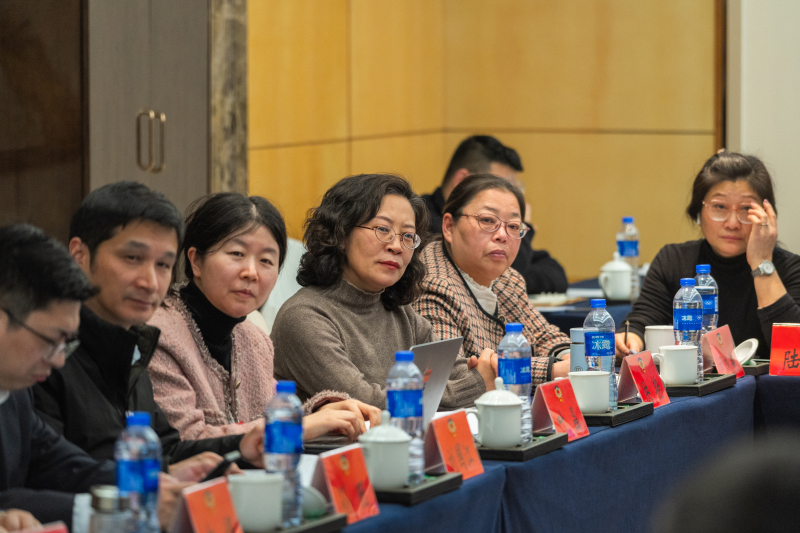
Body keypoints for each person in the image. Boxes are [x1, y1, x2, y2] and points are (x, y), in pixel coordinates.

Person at [33, 182, 264, 470]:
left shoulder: (131, 343)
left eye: (163, 265)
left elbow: (166, 450)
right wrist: (159, 478)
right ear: (79, 254)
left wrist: (240, 447)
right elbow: (47, 472)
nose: (151, 283)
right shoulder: (42, 353)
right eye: (133, 258)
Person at [0, 223, 188, 532]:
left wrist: (154, 484)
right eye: (52, 341)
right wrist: (106, 510)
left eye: (67, 344)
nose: (59, 360)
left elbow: (57, 462)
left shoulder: (15, 390)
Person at [147, 192, 380, 441]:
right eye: (237, 254)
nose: (251, 272)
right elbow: (185, 439)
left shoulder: (254, 339)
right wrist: (300, 426)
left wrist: (320, 413)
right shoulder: (158, 333)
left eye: (266, 260)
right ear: (196, 261)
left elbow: (267, 420)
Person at [272, 174, 496, 410]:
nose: (396, 246)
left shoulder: (400, 312)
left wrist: (488, 368)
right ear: (341, 235)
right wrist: (476, 384)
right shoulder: (304, 317)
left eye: (407, 236)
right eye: (382, 229)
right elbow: (367, 403)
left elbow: (450, 371)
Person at [615, 151, 800, 359]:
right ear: (698, 211)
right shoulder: (673, 260)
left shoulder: (790, 268)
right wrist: (629, 340)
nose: (732, 223)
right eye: (719, 206)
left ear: (767, 216)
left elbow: (794, 350)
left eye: (747, 208)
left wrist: (762, 264)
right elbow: (643, 321)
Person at [414, 174, 571, 399]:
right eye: (487, 221)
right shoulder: (434, 286)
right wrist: (552, 371)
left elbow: (542, 335)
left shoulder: (507, 278)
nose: (502, 236)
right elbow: (454, 376)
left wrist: (568, 356)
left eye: (513, 226)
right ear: (449, 226)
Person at [423, 135, 568, 294]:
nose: (508, 195)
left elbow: (554, 271)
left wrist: (515, 280)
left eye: (513, 187)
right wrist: (510, 280)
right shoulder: (422, 222)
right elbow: (502, 274)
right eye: (487, 220)